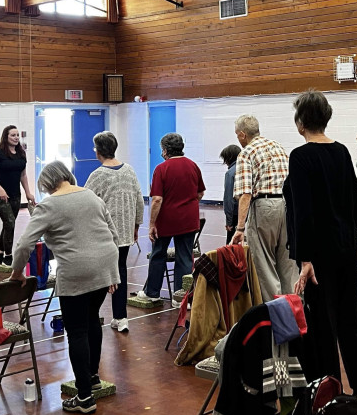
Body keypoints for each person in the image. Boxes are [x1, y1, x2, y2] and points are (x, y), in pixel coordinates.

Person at [285, 90, 357, 415]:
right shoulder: (342, 152)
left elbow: (303, 213)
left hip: (319, 256)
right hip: (343, 249)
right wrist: (350, 244)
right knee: (350, 320)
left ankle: (330, 397)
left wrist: (306, 259)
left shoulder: (300, 157)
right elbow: (355, 205)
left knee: (323, 326)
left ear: (300, 123)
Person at [11, 161, 119, 415]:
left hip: (77, 271)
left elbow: (25, 244)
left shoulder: (49, 205)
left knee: (77, 331)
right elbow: (113, 234)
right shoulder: (91, 196)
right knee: (93, 320)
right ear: (67, 176)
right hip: (105, 266)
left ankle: (84, 397)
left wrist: (16, 272)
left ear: (47, 184)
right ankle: (92, 377)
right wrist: (111, 271)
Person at [230, 114, 297, 298]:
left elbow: (245, 193)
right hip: (288, 206)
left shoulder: (246, 153)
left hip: (265, 207)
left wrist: (240, 227)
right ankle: (294, 314)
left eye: (237, 135)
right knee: (288, 266)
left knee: (265, 267)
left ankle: (274, 317)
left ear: (242, 135)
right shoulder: (278, 147)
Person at [85, 131, 144, 333]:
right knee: (120, 272)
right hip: (126, 233)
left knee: (101, 275)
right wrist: (136, 225)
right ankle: (121, 317)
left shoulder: (98, 175)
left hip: (104, 235)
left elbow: (85, 202)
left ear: (99, 151)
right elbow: (139, 200)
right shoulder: (129, 171)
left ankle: (92, 314)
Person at [137, 133, 205, 301]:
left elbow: (157, 199)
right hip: (189, 221)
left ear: (165, 151)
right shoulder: (193, 166)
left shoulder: (161, 169)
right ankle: (181, 298)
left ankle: (152, 293)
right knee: (184, 257)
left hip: (166, 221)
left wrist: (152, 223)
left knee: (158, 254)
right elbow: (200, 193)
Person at [0, 125, 36, 266]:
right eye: (12, 135)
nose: (16, 138)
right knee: (10, 223)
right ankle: (8, 256)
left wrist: (28, 193)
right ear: (6, 137)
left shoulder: (21, 154)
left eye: (17, 135)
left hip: (15, 195)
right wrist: (0, 190)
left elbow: (23, 175)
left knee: (8, 224)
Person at [220, 144, 242, 244]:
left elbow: (229, 199)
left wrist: (229, 222)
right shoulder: (246, 168)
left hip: (235, 214)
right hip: (248, 213)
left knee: (231, 244)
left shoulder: (230, 173)